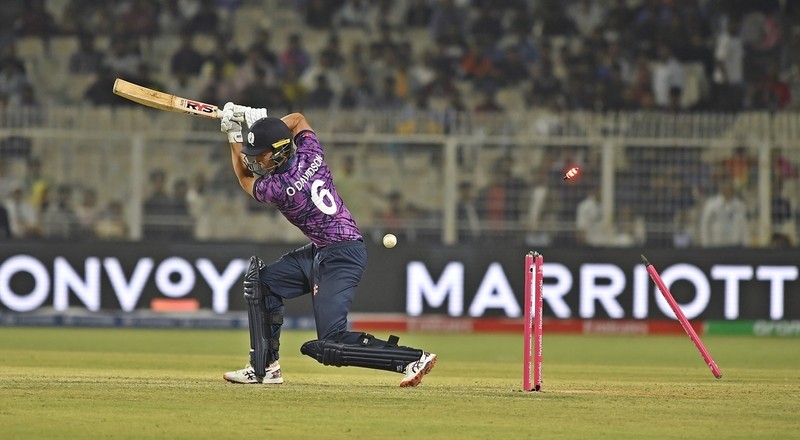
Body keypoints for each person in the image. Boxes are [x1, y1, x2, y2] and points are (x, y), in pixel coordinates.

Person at [218, 103, 437, 387]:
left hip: (342, 256)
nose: (256, 160)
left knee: (330, 342)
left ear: (279, 152)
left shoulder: (281, 188)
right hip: (324, 249)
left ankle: (411, 358)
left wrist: (234, 134)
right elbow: (297, 120)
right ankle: (264, 368)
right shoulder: (312, 153)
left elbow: (245, 179)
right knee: (263, 283)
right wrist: (266, 126)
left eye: (261, 154)